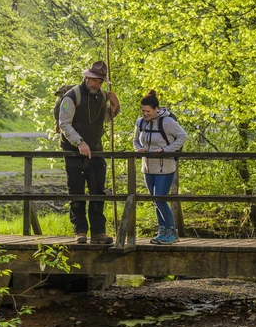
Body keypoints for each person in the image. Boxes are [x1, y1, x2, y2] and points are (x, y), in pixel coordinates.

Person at [58, 60, 121, 245]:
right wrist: (79, 143)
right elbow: (64, 124)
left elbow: (107, 119)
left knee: (98, 191)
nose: (97, 84)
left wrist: (116, 106)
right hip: (73, 152)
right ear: (86, 77)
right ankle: (80, 232)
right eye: (94, 80)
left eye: (100, 81)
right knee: (77, 192)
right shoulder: (71, 97)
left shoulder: (102, 96)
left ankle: (99, 232)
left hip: (96, 150)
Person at [134, 90, 187, 245]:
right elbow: (136, 140)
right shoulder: (140, 122)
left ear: (156, 109)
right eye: (143, 111)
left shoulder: (167, 122)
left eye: (148, 111)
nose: (145, 114)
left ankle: (172, 232)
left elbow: (183, 136)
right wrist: (138, 149)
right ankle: (162, 230)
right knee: (154, 200)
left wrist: (166, 150)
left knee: (160, 199)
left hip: (165, 166)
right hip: (148, 167)